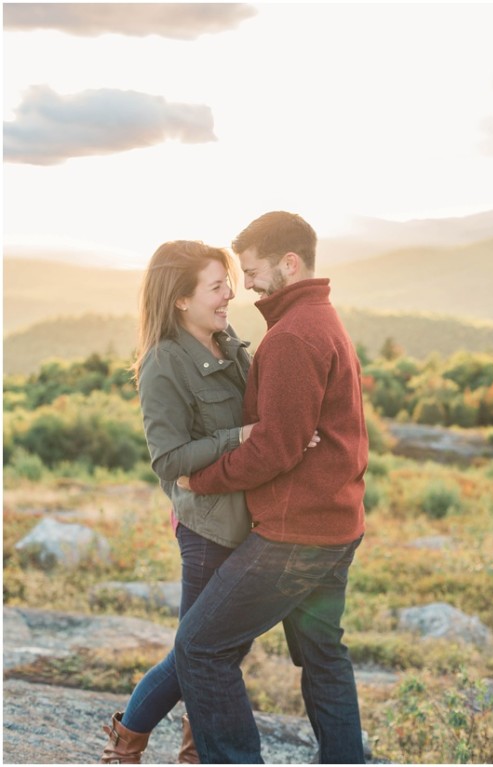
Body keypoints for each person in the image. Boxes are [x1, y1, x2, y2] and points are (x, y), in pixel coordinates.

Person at [174, 211, 369, 763]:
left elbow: (275, 449)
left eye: (255, 270)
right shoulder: (323, 319)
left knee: (200, 649)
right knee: (324, 657)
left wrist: (202, 479)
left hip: (294, 537)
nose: (248, 284)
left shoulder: (293, 337)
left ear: (289, 263)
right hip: (336, 525)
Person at [100, 240, 252, 763]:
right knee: (200, 651)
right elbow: (169, 461)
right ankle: (128, 747)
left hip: (246, 522)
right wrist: (241, 438)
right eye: (216, 286)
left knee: (216, 650)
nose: (229, 293)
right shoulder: (165, 362)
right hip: (208, 531)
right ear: (181, 299)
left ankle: (191, 750)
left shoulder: (225, 343)